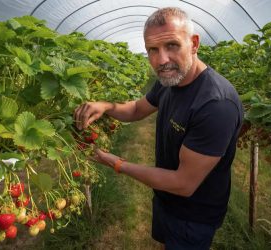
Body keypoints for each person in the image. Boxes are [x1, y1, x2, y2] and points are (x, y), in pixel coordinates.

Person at [74, 7, 243, 250]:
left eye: (172, 45)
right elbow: (136, 110)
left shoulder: (215, 105)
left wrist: (117, 163)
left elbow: (184, 183)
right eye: (153, 50)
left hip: (193, 215)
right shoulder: (170, 80)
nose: (162, 60)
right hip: (165, 197)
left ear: (194, 43)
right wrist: (107, 106)